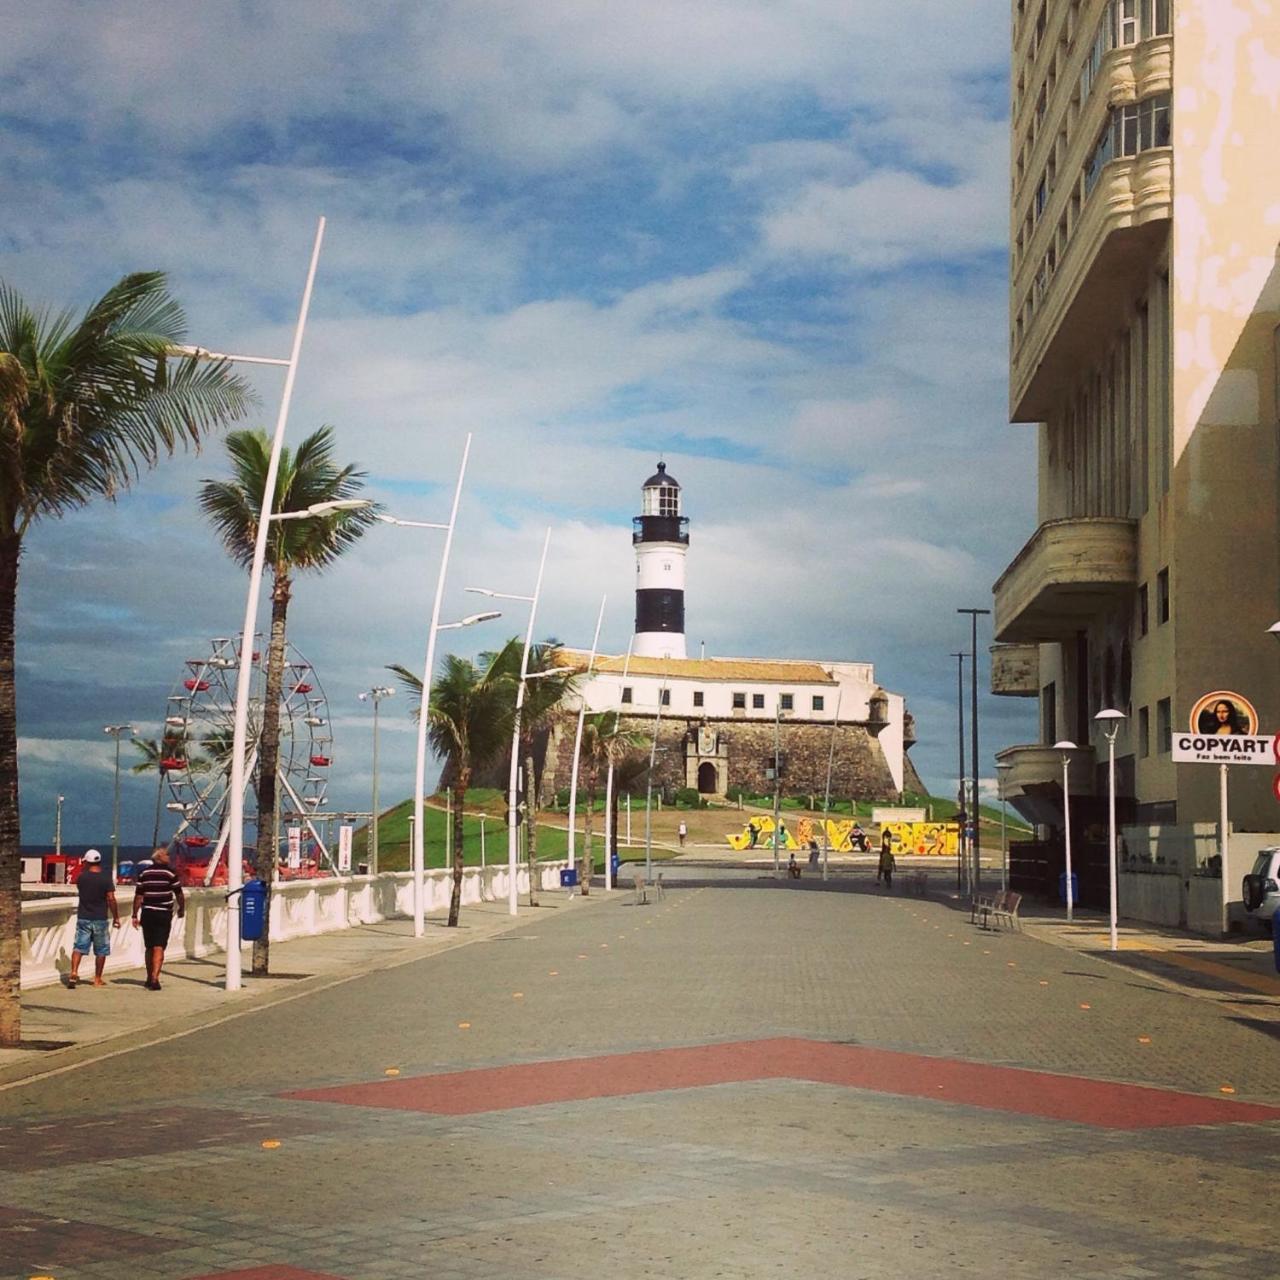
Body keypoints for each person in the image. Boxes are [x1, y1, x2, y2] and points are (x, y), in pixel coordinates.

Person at [132, 846, 185, 991]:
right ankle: (155, 978)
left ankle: (149, 977)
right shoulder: (170, 873)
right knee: (159, 946)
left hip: (147, 912)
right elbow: (179, 893)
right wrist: (181, 908)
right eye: (167, 855)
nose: (169, 857)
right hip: (163, 913)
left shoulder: (144, 873)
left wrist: (134, 914)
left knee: (149, 946)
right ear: (160, 857)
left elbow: (138, 896)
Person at [68, 849, 119, 988]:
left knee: (79, 947)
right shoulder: (106, 878)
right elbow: (111, 899)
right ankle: (97, 979)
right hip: (100, 918)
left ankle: (73, 972)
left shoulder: (81, 878)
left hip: (84, 916)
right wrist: (116, 917)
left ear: (87, 862)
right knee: (101, 950)